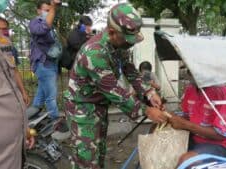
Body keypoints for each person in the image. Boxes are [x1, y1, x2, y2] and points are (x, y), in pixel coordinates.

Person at [64, 3, 167, 169]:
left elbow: (130, 71)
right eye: (127, 39)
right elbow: (115, 92)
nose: (130, 44)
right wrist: (147, 111)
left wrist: (149, 92)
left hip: (98, 105)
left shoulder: (118, 44)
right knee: (87, 159)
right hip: (82, 109)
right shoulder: (94, 53)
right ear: (112, 32)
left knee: (99, 152)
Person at [167, 70, 226, 166]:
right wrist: (167, 116)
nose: (188, 72)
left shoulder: (222, 92)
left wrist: (185, 124)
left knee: (186, 161)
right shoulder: (190, 90)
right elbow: (186, 117)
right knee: (163, 146)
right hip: (195, 139)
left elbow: (221, 135)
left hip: (219, 145)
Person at [0, 19, 34, 169]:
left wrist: (24, 129)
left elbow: (13, 71)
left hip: (15, 138)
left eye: (4, 29)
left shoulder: (5, 46)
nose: (1, 33)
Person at [29, 0, 61, 120]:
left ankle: (32, 118)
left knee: (41, 95)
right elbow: (42, 30)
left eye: (50, 10)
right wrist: (53, 8)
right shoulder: (35, 23)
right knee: (51, 97)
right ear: (38, 11)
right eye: (46, 10)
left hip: (50, 64)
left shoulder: (51, 25)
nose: (49, 13)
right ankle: (55, 121)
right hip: (43, 64)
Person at [0, 16, 29, 105]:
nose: (0, 31)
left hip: (12, 95)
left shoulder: (10, 48)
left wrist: (23, 92)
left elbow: (15, 71)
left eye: (4, 29)